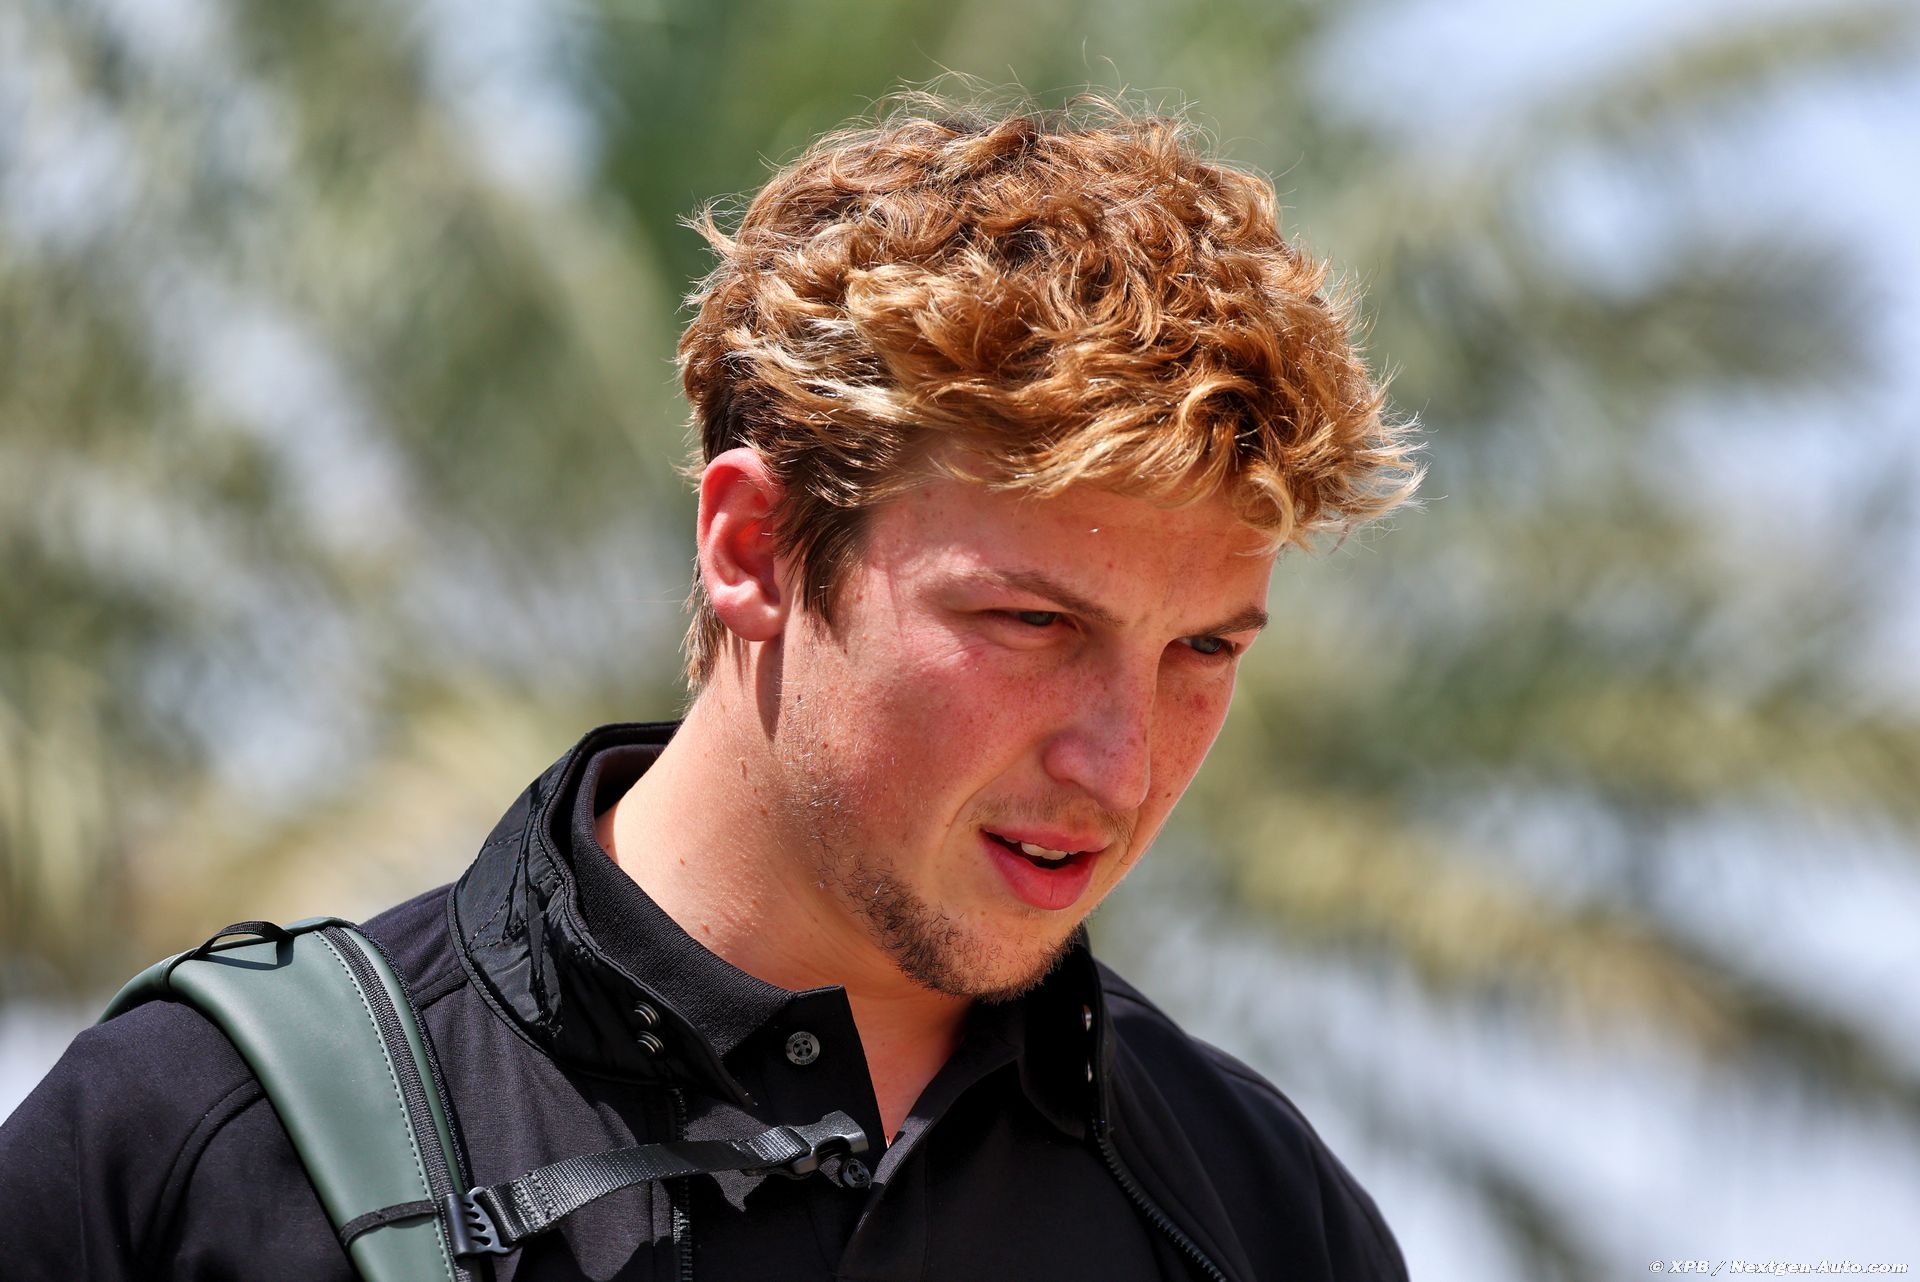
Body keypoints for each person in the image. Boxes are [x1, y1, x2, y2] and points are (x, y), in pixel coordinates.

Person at [0, 93, 1420, 1280]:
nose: (1121, 765)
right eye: (1033, 621)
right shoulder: (187, 1147)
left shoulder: (1267, 1219)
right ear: (752, 547)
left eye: (1204, 650)